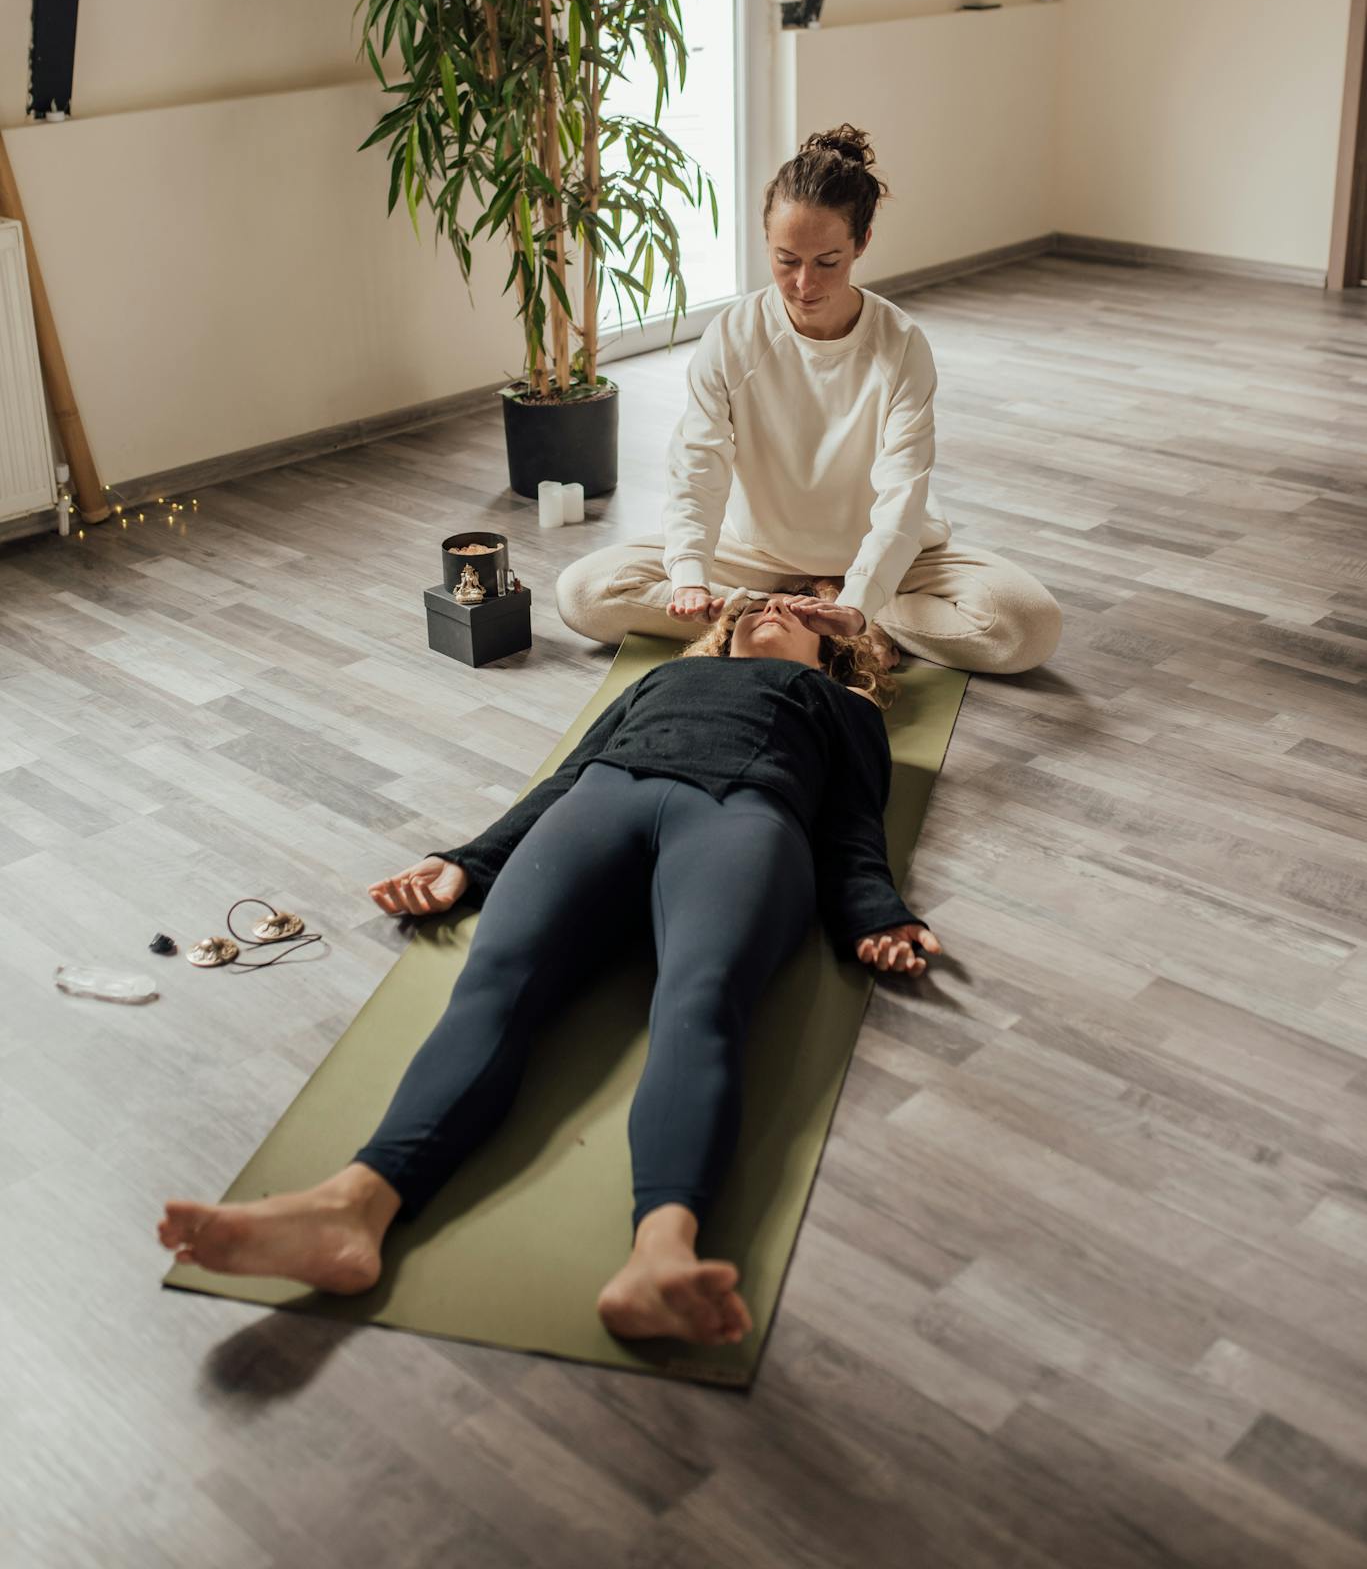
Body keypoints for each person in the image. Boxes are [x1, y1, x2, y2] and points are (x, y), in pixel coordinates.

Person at [156, 591, 943, 1350]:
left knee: (699, 1001)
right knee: (493, 979)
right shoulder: (667, 676)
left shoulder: (845, 707)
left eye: (795, 611)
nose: (772, 609)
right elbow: (566, 776)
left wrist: (873, 914)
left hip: (743, 818)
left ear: (832, 649)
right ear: (724, 631)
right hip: (602, 801)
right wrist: (467, 861)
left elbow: (851, 827)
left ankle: (660, 1255)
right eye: (756, 606)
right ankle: (350, 1208)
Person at [556, 121, 1063, 675]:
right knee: (584, 592)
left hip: (886, 556)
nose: (803, 283)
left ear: (861, 244)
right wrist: (690, 577)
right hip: (756, 556)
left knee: (1025, 625)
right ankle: (793, 612)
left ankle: (842, 619)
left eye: (828, 261)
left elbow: (902, 492)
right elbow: (697, 467)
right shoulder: (732, 335)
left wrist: (858, 599)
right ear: (766, 241)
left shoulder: (900, 345)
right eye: (786, 259)